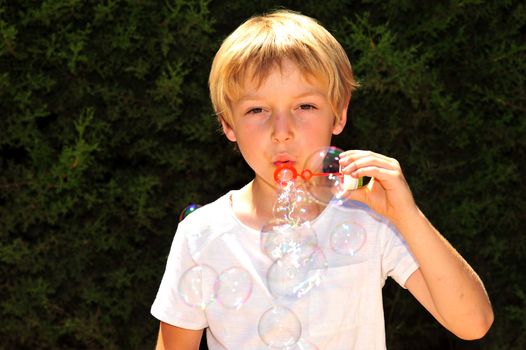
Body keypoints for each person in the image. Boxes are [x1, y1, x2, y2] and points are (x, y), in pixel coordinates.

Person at [151, 9, 493, 350]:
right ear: (228, 124)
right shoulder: (203, 235)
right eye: (257, 110)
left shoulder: (369, 217)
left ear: (339, 114)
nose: (281, 132)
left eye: (305, 107)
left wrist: (407, 216)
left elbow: (473, 324)